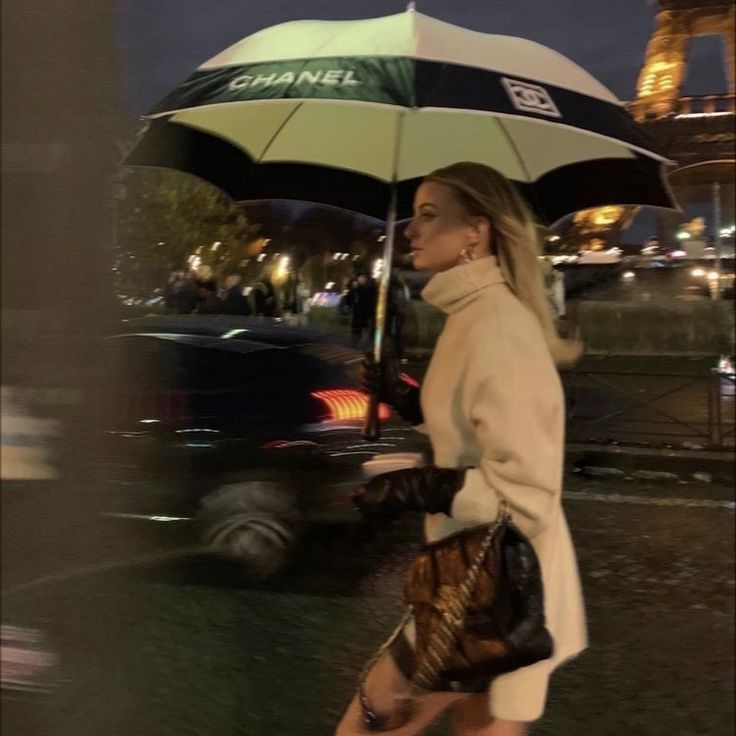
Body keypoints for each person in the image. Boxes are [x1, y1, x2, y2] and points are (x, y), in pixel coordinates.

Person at [336, 162, 586, 735]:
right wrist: (404, 398)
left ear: (476, 231)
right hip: (480, 578)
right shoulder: (474, 315)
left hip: (492, 586)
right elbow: (475, 428)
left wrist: (421, 488)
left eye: (429, 216)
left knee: (370, 723)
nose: (411, 231)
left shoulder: (496, 326)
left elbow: (526, 491)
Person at [344, 274, 377, 349]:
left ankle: (366, 348)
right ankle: (355, 346)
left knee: (367, 332)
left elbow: (371, 300)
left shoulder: (370, 288)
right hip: (357, 314)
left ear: (366, 279)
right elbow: (349, 300)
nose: (361, 279)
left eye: (363, 278)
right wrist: (350, 289)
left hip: (367, 314)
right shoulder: (355, 288)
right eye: (360, 278)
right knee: (356, 332)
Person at [387, 269, 411, 362]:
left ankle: (396, 352)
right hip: (396, 313)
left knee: (396, 333)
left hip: (397, 313)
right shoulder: (399, 287)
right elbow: (405, 300)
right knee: (396, 333)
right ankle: (396, 352)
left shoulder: (399, 287)